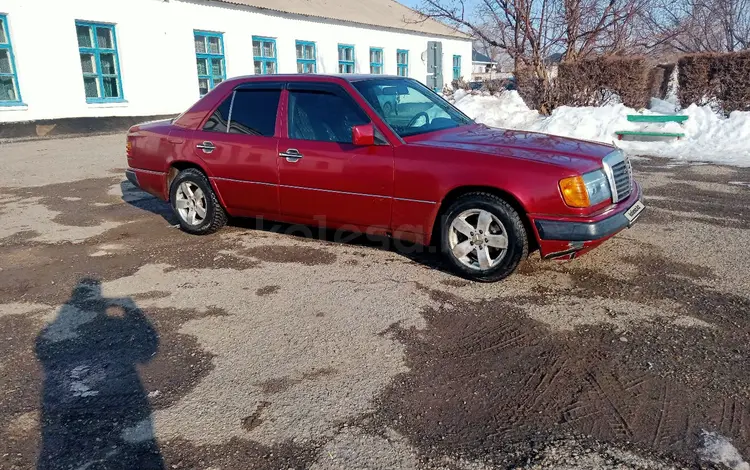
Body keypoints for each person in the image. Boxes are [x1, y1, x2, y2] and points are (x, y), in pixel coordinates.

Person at [36, 278, 163, 470]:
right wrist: (132, 309)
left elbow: (42, 349)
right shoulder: (114, 326)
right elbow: (147, 350)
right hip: (120, 414)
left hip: (72, 423)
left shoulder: (54, 331)